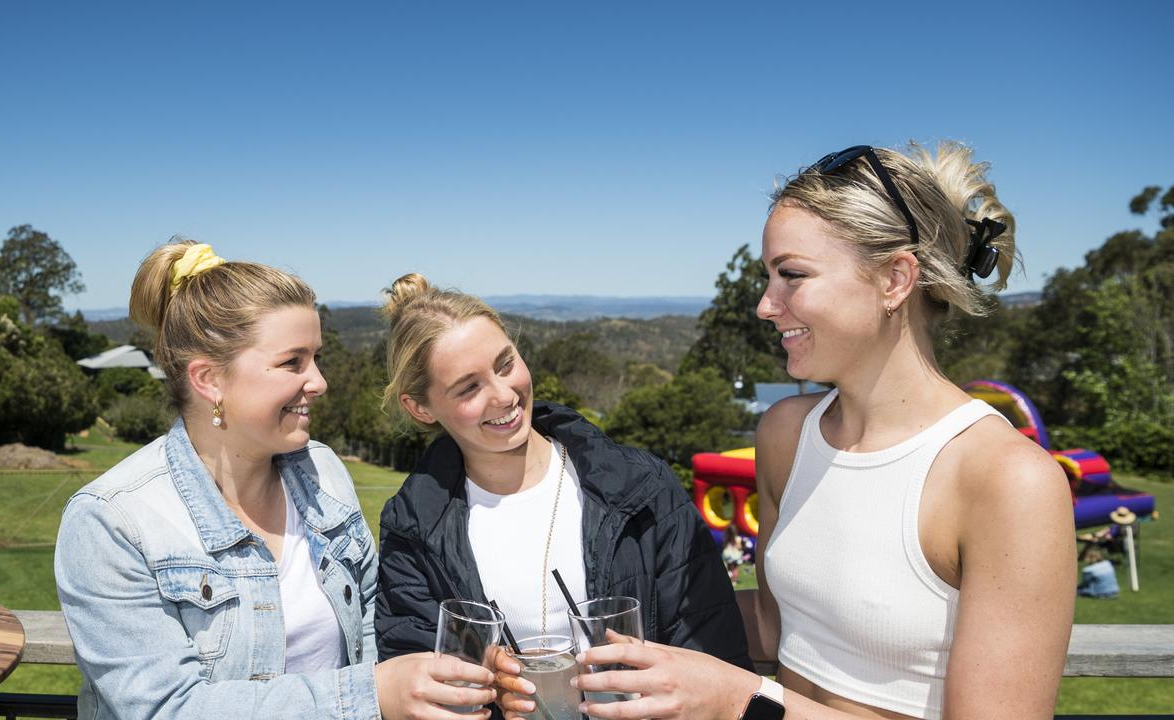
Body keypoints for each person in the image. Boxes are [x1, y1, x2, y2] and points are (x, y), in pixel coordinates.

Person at [558, 143, 1076, 720]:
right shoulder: (786, 435)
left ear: (895, 279)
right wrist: (588, 623)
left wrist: (739, 700)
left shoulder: (1005, 480)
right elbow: (781, 626)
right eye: (768, 276)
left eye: (792, 276)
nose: (764, 304)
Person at [54, 241, 502, 719]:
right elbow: (164, 708)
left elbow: (373, 626)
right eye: (294, 362)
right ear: (210, 380)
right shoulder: (111, 522)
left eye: (317, 357)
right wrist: (372, 696)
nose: (319, 381)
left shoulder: (323, 471)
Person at [373, 274, 751, 684]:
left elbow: (714, 651)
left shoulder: (642, 488)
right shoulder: (413, 529)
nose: (503, 395)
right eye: (469, 388)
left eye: (506, 364)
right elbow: (419, 677)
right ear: (421, 408)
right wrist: (494, 694)